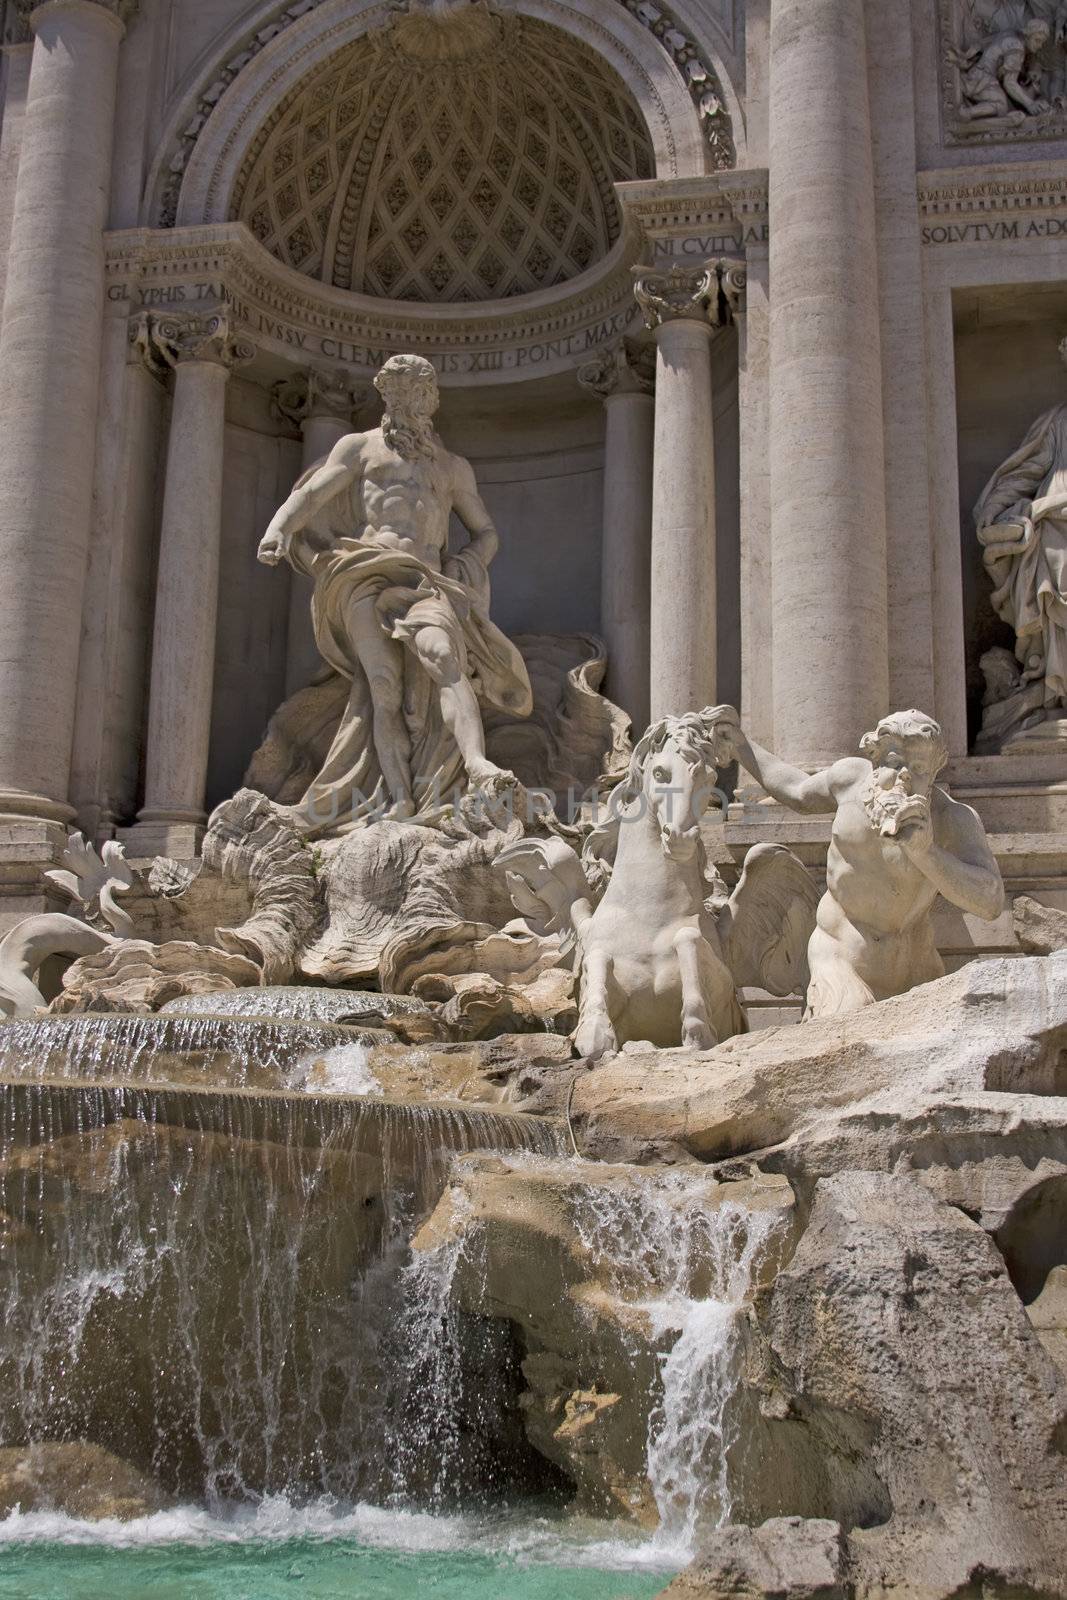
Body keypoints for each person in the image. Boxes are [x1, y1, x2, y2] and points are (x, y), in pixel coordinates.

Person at [258, 354, 531, 830]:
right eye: (402, 392)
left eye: (421, 393)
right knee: (383, 688)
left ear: (432, 401)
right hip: (366, 572)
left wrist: (465, 566)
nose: (412, 402)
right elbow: (311, 496)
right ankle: (400, 799)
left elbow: (486, 533)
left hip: (426, 580)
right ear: (387, 397)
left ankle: (476, 765)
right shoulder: (359, 448)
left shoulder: (452, 467)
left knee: (444, 658)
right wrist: (279, 529)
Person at [721, 711, 1004, 1016]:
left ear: (936, 770)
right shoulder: (850, 781)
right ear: (876, 760)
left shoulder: (953, 819)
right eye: (894, 763)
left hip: (915, 968)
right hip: (840, 958)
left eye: (920, 768)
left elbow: (990, 903)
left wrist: (926, 853)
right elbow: (796, 790)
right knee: (842, 1040)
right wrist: (740, 745)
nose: (905, 774)